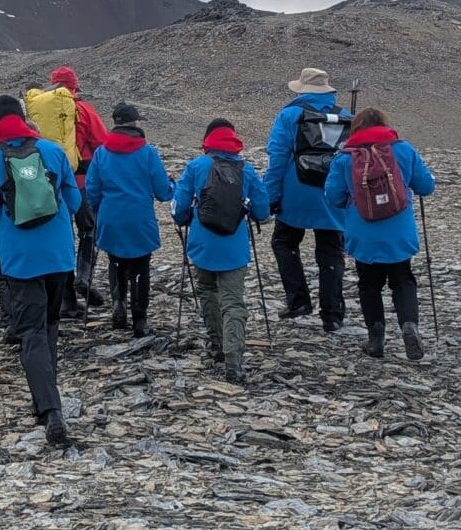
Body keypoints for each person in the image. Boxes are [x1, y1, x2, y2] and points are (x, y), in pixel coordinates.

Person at [0, 94, 81, 445]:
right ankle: (45, 399)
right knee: (49, 325)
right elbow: (75, 201)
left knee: (31, 331)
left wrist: (3, 225)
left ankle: (50, 410)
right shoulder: (52, 151)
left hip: (19, 260)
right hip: (59, 255)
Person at [171, 118, 271, 385]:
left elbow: (179, 209)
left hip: (202, 244)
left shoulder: (195, 167)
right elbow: (262, 211)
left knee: (207, 291)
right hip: (234, 246)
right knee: (233, 301)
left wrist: (183, 219)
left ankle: (215, 344)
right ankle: (233, 360)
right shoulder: (246, 170)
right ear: (233, 140)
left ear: (207, 140)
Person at [335, 107, 437, 361]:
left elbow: (333, 196)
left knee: (369, 284)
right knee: (403, 280)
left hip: (364, 234)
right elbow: (426, 186)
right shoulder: (403, 149)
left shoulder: (345, 157)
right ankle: (409, 326)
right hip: (398, 232)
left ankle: (376, 338)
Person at [263, 66, 354, 333]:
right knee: (331, 252)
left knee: (284, 242)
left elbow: (277, 158)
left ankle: (298, 300)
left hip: (296, 192)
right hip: (333, 195)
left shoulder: (290, 115)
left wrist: (271, 196)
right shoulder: (346, 117)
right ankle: (333, 314)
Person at [80, 101, 174, 337]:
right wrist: (172, 184)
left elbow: (92, 189)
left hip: (111, 218)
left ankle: (118, 305)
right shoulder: (147, 152)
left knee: (117, 262)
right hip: (139, 219)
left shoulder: (101, 153)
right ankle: (140, 320)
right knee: (141, 267)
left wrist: (101, 207)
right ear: (135, 123)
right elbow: (163, 191)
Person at [25, 65, 105, 310]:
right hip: (80, 182)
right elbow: (102, 142)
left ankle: (67, 301)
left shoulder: (38, 110)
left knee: (63, 238)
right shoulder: (81, 109)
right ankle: (84, 276)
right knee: (88, 229)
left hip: (49, 184)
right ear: (74, 86)